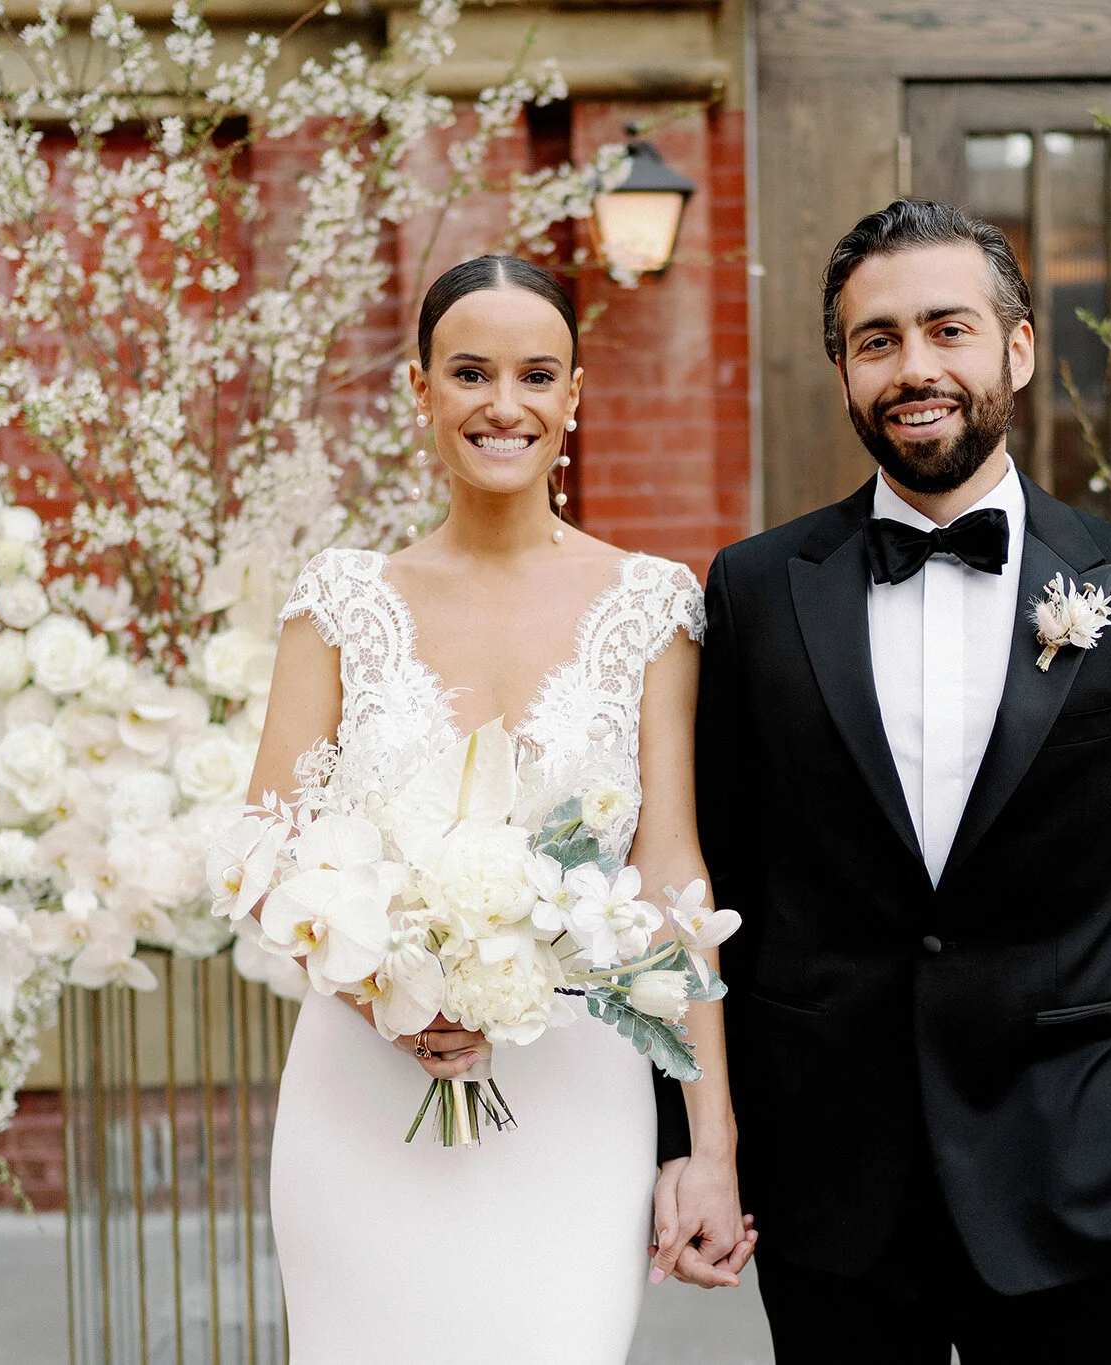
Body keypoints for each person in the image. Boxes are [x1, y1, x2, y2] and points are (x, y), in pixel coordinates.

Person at [665, 200, 1111, 1363]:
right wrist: (696, 1139)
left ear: (1016, 348)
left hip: (1074, 1172)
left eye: (948, 329)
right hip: (825, 1178)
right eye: (877, 340)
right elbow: (707, 889)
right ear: (841, 369)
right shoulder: (751, 589)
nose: (914, 367)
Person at [247, 255, 754, 1364]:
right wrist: (391, 985)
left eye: (536, 375)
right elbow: (267, 862)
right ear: (418, 392)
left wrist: (710, 1145)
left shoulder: (651, 606)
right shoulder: (337, 602)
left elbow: (673, 880)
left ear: (573, 399)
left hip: (578, 1096)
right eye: (469, 372)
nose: (503, 404)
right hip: (360, 1091)